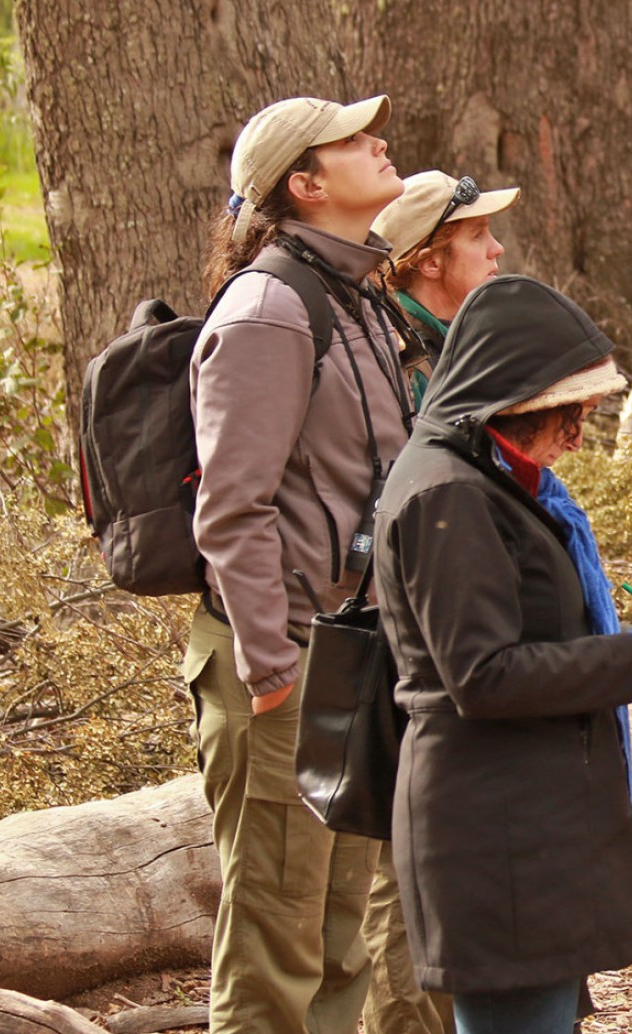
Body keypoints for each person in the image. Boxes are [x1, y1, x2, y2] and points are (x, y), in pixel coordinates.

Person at [371, 274, 632, 1034]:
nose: (578, 436)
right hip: (493, 836)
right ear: (514, 400)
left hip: (525, 825)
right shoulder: (449, 496)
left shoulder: (490, 481)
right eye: (569, 413)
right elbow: (482, 676)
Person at [184, 94, 410, 1034]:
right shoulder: (272, 308)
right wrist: (273, 668)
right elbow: (232, 506)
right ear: (305, 185)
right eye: (355, 141)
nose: (381, 144)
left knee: (336, 936)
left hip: (348, 651)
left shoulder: (355, 296)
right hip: (281, 658)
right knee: (277, 942)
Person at [357, 168, 519, 1034]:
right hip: (403, 643)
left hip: (454, 632)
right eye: (477, 240)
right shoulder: (398, 363)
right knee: (400, 868)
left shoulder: (448, 353)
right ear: (425, 260)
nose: (497, 252)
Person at [372, 169, 520, 407]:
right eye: (477, 235)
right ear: (431, 263)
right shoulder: (406, 362)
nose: (497, 248)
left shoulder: (472, 341)